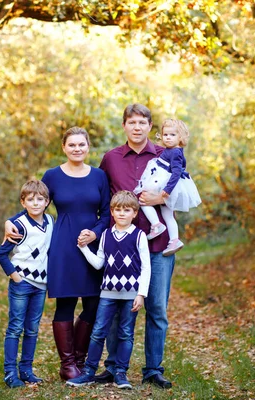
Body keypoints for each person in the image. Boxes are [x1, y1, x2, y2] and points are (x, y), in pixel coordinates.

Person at [5, 127, 111, 380]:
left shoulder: (99, 176)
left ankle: (79, 360)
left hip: (92, 246)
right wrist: (11, 221)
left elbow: (106, 213)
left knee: (93, 304)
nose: (77, 149)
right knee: (66, 302)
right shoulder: (52, 176)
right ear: (63, 147)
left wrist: (95, 233)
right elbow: (35, 204)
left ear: (88, 147)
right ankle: (67, 366)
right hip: (63, 245)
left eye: (81, 145)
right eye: (71, 145)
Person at [96, 103, 175, 389]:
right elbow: (102, 201)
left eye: (142, 122)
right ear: (124, 126)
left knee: (156, 309)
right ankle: (115, 367)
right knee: (119, 308)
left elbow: (184, 196)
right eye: (132, 122)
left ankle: (153, 369)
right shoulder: (111, 159)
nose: (137, 127)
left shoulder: (167, 154)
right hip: (120, 248)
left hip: (158, 245)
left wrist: (161, 199)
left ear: (150, 126)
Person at [66, 191, 150, 390]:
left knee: (126, 334)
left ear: (134, 213)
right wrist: (84, 248)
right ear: (112, 212)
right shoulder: (105, 235)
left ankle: (120, 372)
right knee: (98, 332)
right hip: (107, 293)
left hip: (131, 293)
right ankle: (88, 372)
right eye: (118, 210)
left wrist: (141, 294)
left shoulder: (139, 236)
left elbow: (146, 267)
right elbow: (99, 263)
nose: (122, 214)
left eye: (126, 210)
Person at [0, 179, 53, 388]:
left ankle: (26, 369)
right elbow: (2, 255)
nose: (36, 203)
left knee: (32, 329)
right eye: (31, 199)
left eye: (40, 199)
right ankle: (10, 372)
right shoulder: (19, 225)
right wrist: (15, 277)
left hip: (41, 285)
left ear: (47, 202)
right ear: (23, 202)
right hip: (22, 283)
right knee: (15, 328)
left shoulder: (50, 221)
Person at [134, 118, 202, 256]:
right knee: (168, 214)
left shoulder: (176, 152)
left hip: (164, 182)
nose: (168, 138)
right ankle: (174, 240)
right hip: (163, 180)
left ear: (180, 137)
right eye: (166, 135)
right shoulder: (172, 150)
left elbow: (177, 172)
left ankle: (156, 225)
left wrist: (167, 189)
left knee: (143, 198)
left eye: (172, 135)